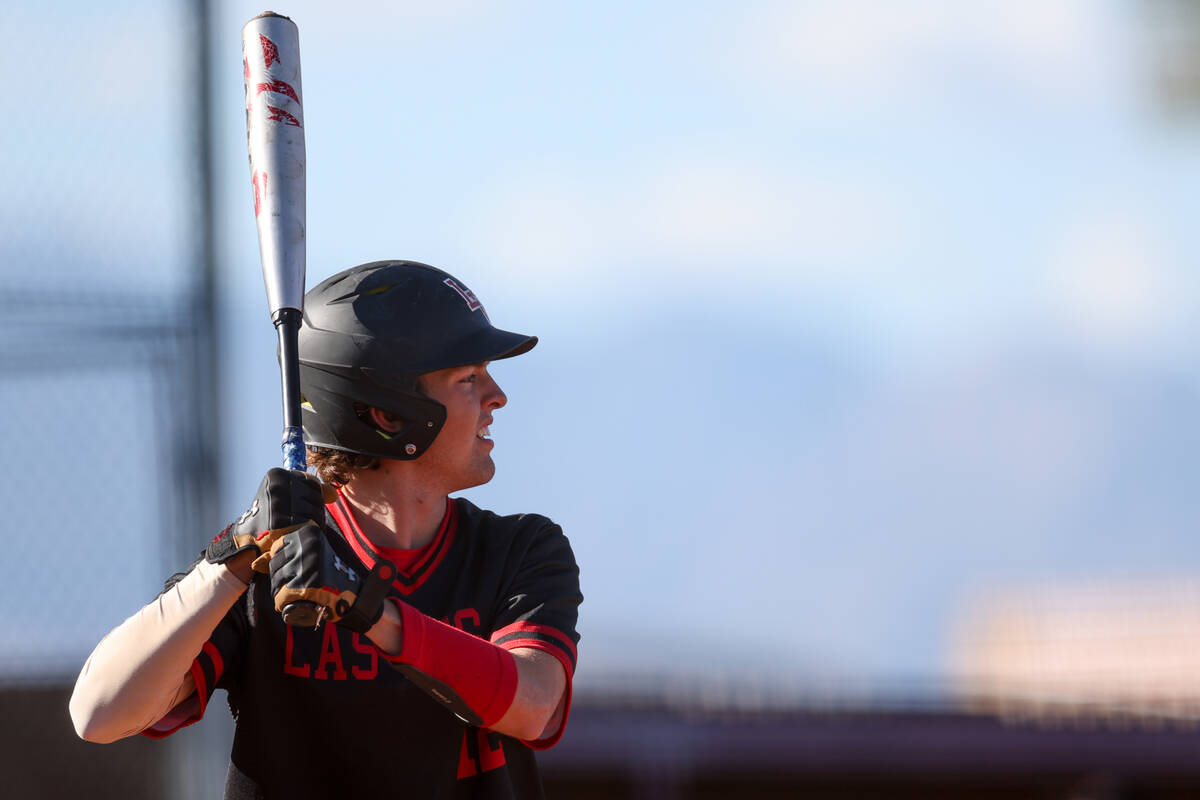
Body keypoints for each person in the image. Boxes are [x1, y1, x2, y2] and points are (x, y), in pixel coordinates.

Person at [69, 260, 583, 799]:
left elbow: (532, 706)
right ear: (389, 414)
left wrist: (367, 610)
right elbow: (97, 714)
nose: (496, 397)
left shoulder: (519, 550)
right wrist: (224, 564)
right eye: (469, 378)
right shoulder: (265, 568)